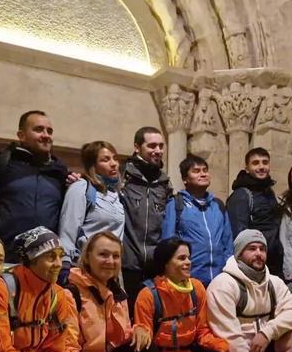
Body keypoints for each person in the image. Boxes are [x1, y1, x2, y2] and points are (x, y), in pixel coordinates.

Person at [0, 110, 69, 262]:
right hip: (5, 257)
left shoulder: (59, 170)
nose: (46, 135)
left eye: (49, 131)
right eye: (38, 129)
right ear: (21, 135)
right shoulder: (1, 162)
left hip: (46, 259)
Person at [120, 126, 172, 313]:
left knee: (154, 318)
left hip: (155, 265)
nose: (158, 150)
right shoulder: (122, 176)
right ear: (137, 147)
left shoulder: (164, 184)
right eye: (152, 146)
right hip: (128, 264)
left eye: (160, 146)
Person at [161, 154, 233, 286]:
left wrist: (228, 273)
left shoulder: (218, 205)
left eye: (205, 170)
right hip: (189, 279)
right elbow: (168, 242)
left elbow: (228, 243)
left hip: (219, 279)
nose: (203, 174)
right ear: (185, 179)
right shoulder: (176, 204)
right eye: (196, 171)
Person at [58, 141, 125, 270]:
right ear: (93, 165)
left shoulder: (117, 195)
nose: (113, 164)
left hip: (111, 268)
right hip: (85, 267)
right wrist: (65, 265)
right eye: (105, 160)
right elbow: (68, 230)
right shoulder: (81, 188)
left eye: (115, 158)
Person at [227, 147, 283, 278]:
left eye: (265, 162)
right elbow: (239, 235)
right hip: (254, 264)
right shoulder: (241, 195)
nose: (261, 166)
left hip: (273, 263)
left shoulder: (269, 192)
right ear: (247, 168)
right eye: (256, 163)